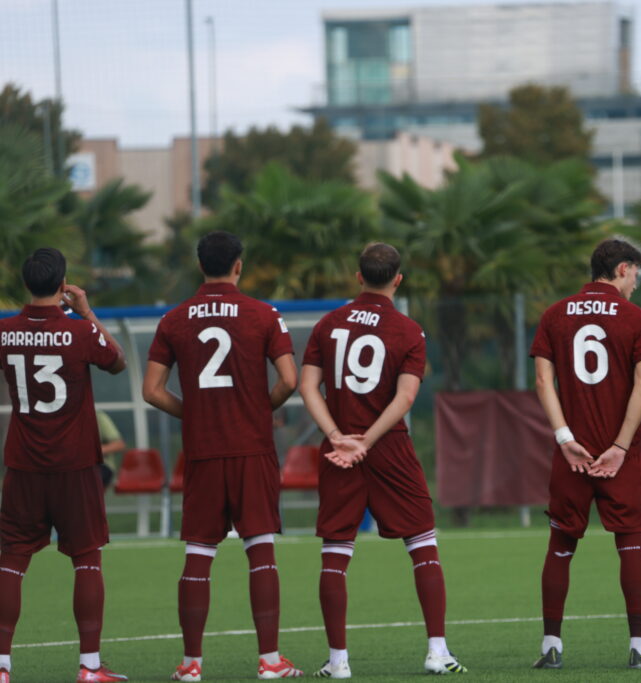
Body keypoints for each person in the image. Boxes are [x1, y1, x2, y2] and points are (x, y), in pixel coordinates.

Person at [299, 242, 466, 678]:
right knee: (423, 544)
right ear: (398, 279)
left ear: (358, 277)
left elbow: (307, 387)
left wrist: (339, 437)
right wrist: (367, 441)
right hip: (387, 444)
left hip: (339, 450)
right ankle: (437, 653)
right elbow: (406, 396)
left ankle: (338, 662)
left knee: (336, 552)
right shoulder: (408, 329)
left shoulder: (328, 324)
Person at [143, 231, 302, 680]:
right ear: (239, 265)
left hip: (204, 450)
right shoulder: (264, 314)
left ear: (200, 267)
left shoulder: (174, 319)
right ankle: (270, 661)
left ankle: (191, 664)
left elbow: (151, 390)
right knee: (260, 549)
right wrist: (257, 407)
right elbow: (289, 380)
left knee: (198, 552)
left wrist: (193, 413)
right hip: (251, 448)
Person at [529, 238, 641, 670]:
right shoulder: (638, 319)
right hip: (618, 455)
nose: (635, 285)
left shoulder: (554, 315)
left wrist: (563, 436)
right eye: (636, 276)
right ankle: (639, 650)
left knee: (560, 545)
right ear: (624, 269)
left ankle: (550, 647)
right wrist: (619, 447)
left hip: (571, 454)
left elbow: (541, 382)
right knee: (630, 545)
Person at [0, 248, 128, 683]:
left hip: (22, 463)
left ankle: (2, 667)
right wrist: (87, 311)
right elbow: (117, 360)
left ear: (25, 284)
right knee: (86, 559)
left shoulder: (4, 331)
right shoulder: (78, 332)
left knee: (11, 560)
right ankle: (90, 668)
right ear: (63, 285)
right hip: (75, 464)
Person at [96, 410, 126, 490]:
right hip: (71, 468)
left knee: (89, 481)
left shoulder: (98, 417)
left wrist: (94, 452)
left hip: (101, 465)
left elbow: (119, 444)